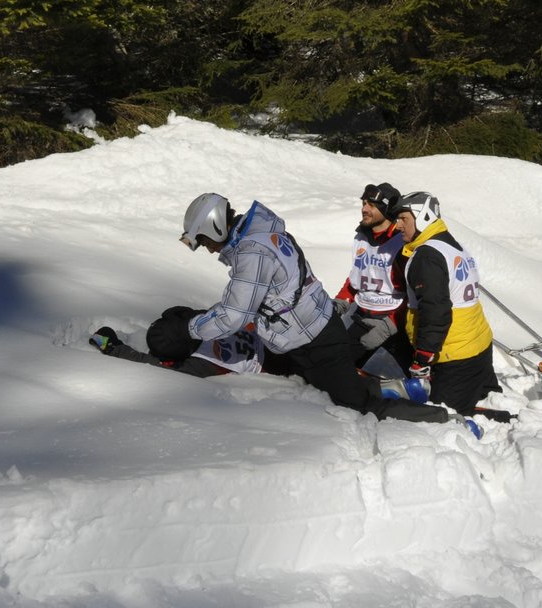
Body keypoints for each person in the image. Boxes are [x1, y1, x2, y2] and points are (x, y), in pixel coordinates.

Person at [177, 192, 462, 426]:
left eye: (203, 241)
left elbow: (235, 314)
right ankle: (390, 388)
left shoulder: (253, 251)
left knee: (357, 406)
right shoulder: (259, 236)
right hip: (305, 336)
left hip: (317, 341)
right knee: (326, 388)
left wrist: (189, 328)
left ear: (214, 226)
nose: (209, 249)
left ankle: (442, 420)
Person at [393, 190, 503, 415]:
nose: (397, 226)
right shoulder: (450, 244)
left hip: (456, 356)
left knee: (443, 416)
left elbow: (436, 311)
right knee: (486, 400)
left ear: (423, 216)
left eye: (403, 219)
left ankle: (517, 429)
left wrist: (423, 356)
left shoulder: (427, 256)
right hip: (477, 345)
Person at [333, 181, 412, 368]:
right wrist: (343, 299)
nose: (364, 209)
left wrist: (390, 325)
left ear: (386, 209)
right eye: (363, 204)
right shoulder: (362, 236)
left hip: (393, 322)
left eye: (371, 205)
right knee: (338, 367)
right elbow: (358, 274)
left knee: (410, 378)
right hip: (362, 317)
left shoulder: (401, 242)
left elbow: (414, 294)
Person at [91, 305, 278, 377]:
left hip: (280, 355)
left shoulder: (202, 364)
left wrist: (114, 348)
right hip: (277, 336)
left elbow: (150, 365)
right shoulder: (206, 322)